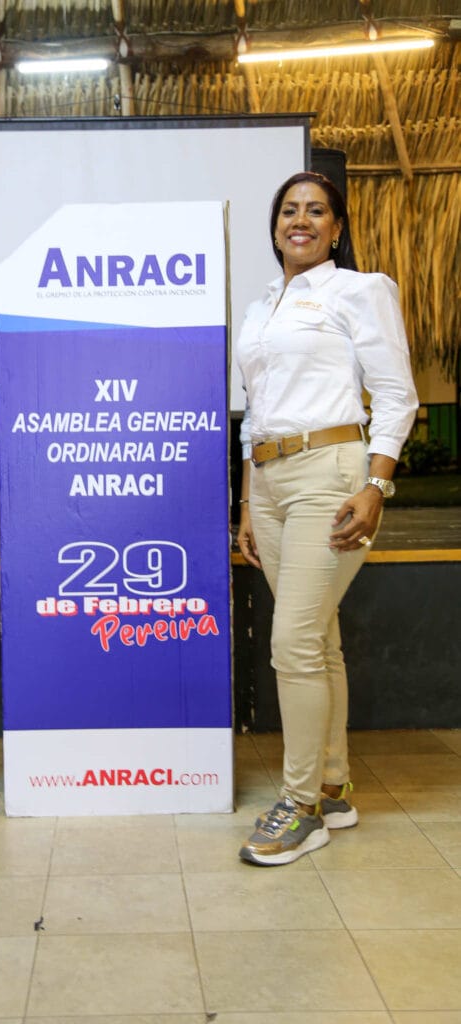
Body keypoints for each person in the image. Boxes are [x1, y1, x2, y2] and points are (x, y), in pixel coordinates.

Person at [235, 171, 418, 866]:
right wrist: (249, 501)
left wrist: (377, 484)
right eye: (288, 210)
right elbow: (256, 412)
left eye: (316, 211)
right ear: (275, 225)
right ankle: (334, 785)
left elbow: (396, 396)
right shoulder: (262, 306)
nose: (300, 220)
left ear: (336, 228)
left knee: (292, 644)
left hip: (331, 476)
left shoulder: (358, 289)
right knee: (318, 642)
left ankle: (300, 804)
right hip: (272, 479)